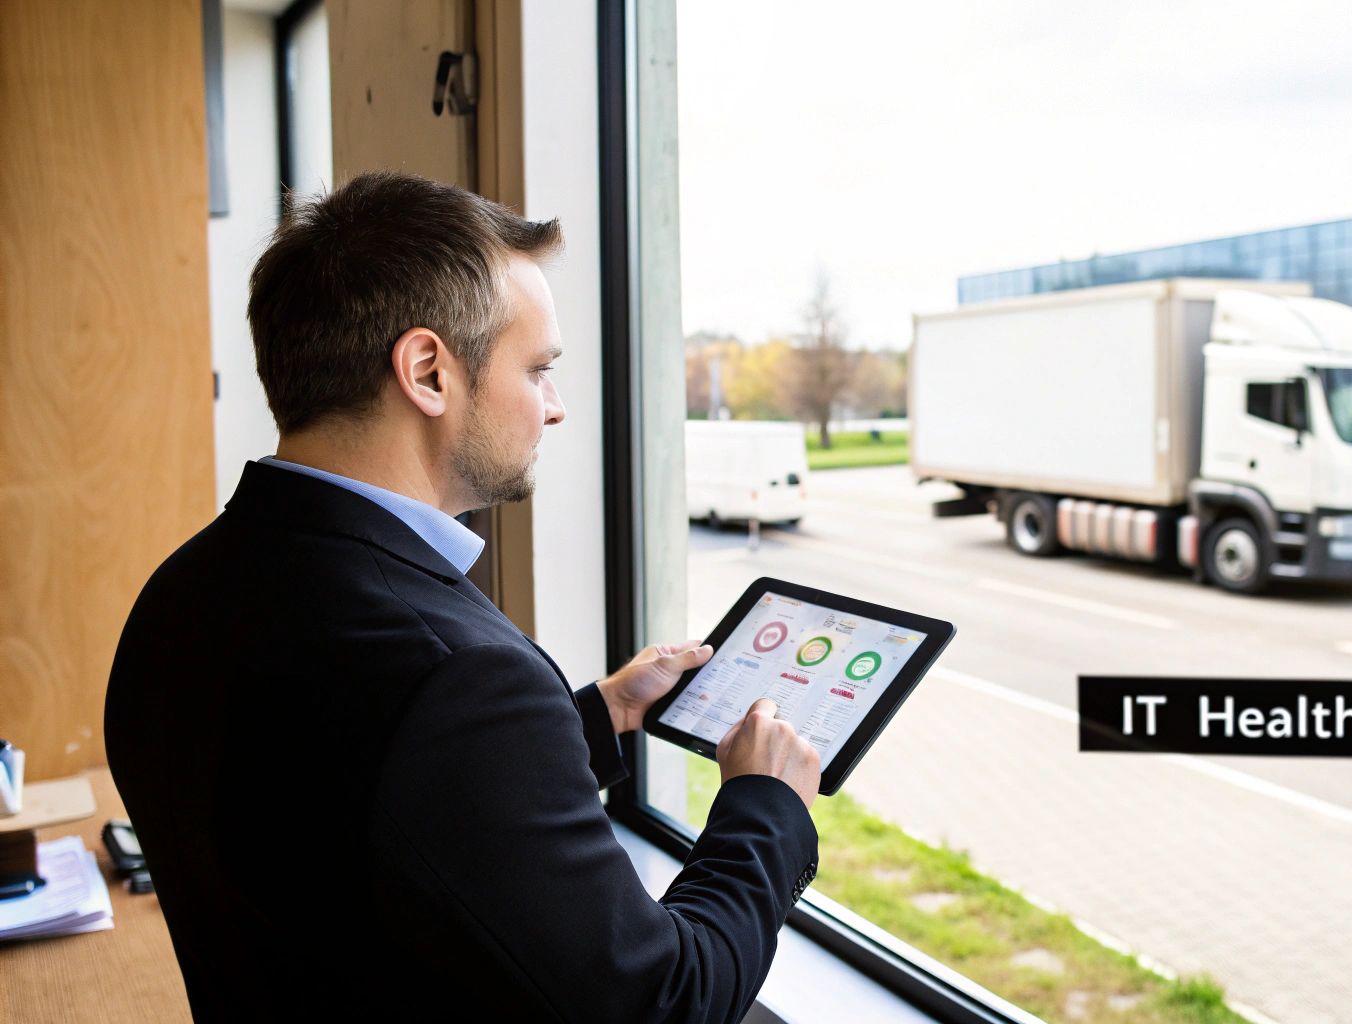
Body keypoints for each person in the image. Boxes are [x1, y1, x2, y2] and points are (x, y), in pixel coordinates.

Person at [104, 172, 822, 1022]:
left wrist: (593, 715)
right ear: (427, 372)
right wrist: (765, 809)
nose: (553, 410)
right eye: (539, 369)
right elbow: (660, 1003)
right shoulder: (454, 676)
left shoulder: (185, 591)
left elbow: (354, 804)